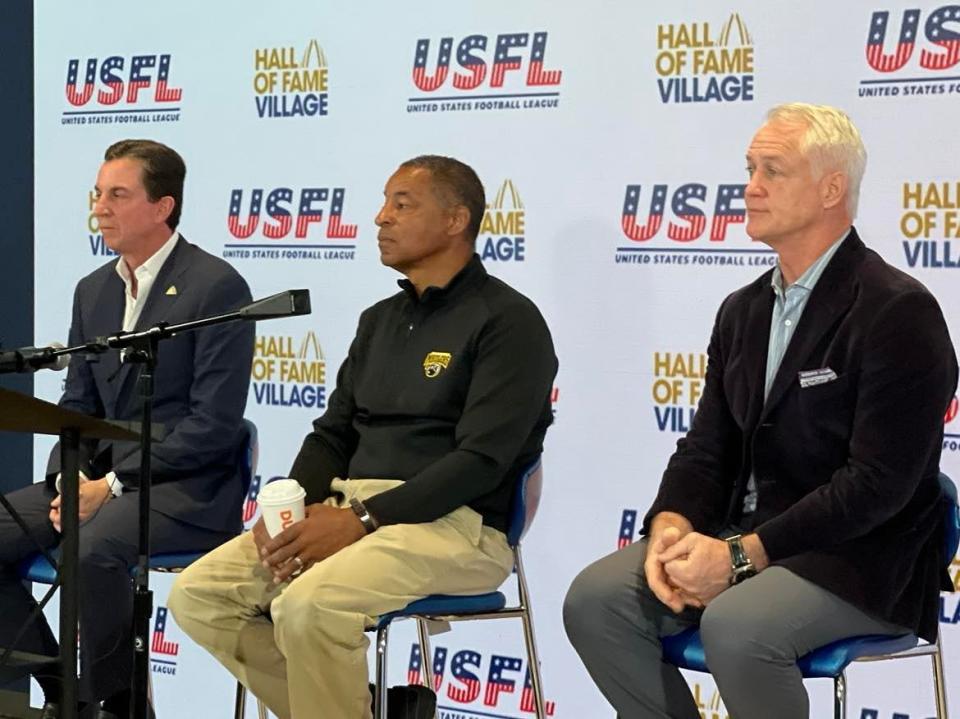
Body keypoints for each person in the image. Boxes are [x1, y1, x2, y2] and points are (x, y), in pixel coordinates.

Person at [563, 103, 958, 718]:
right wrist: (671, 524)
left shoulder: (897, 311)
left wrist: (742, 556)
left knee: (737, 625)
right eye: (749, 168)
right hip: (740, 539)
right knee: (595, 600)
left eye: (772, 170)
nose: (749, 188)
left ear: (831, 189)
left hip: (859, 557)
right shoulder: (741, 310)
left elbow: (878, 485)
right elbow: (706, 448)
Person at [168, 155, 558, 719]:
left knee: (309, 605)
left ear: (456, 221)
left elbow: (480, 461)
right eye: (384, 202)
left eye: (403, 204)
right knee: (199, 596)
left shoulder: (509, 321)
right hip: (349, 510)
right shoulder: (378, 319)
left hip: (457, 526)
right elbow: (332, 434)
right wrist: (293, 508)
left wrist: (362, 521)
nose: (381, 217)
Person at [0, 139, 255, 719]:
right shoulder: (94, 289)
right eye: (97, 193)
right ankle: (64, 689)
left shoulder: (216, 288)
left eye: (118, 194)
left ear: (163, 207)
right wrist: (69, 482)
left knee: (92, 550)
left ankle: (119, 705)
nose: (101, 207)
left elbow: (212, 426)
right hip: (95, 482)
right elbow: (76, 404)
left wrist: (108, 487)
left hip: (189, 488)